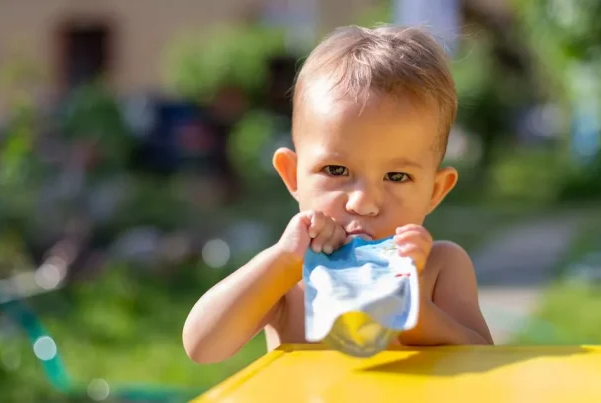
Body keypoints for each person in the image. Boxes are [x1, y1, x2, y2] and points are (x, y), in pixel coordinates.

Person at [183, 25, 493, 364]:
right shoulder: (291, 277)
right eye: (336, 171)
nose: (363, 203)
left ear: (434, 191)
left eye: (397, 176)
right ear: (293, 175)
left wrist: (410, 310)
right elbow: (202, 347)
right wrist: (282, 262)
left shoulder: (440, 267)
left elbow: (484, 359)